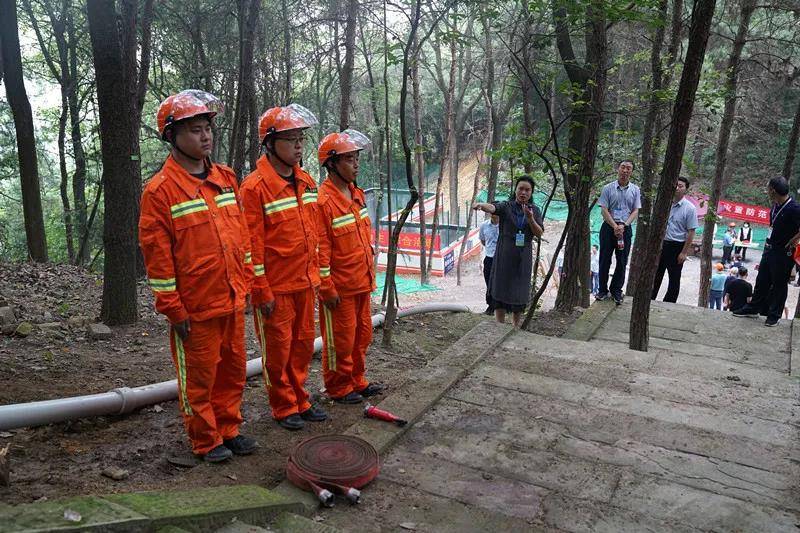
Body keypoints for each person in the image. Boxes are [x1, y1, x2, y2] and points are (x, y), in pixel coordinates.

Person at [139, 90, 257, 463]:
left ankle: (229, 428)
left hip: (231, 298)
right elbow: (158, 261)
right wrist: (174, 310)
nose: (205, 136)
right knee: (200, 378)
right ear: (172, 136)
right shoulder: (160, 192)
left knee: (234, 371)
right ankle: (206, 440)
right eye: (194, 130)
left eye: (207, 128)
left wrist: (248, 283)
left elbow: (240, 238)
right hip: (195, 307)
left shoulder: (225, 179)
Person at [241, 104, 328, 430]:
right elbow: (251, 245)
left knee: (304, 344)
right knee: (278, 350)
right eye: (291, 140)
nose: (298, 146)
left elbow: (315, 231)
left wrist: (319, 273)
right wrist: (259, 288)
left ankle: (300, 398)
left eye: (301, 140)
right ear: (270, 142)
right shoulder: (254, 188)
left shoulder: (305, 180)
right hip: (275, 287)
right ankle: (283, 405)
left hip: (305, 282)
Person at [315, 129, 385, 405]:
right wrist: (326, 287)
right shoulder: (323, 202)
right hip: (339, 287)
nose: (356, 165)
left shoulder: (356, 195)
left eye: (356, 159)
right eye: (349, 160)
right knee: (340, 341)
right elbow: (321, 250)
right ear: (331, 164)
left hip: (362, 281)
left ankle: (357, 380)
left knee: (361, 335)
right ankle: (338, 386)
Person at [472, 176, 544, 328]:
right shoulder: (507, 206)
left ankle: (516, 326)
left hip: (523, 255)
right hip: (504, 253)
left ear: (531, 192)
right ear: (516, 190)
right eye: (520, 189)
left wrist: (530, 219)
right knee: (501, 285)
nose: (523, 192)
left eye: (527, 190)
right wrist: (480, 205)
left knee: (520, 288)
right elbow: (493, 208)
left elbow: (539, 233)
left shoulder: (535, 210)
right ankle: (499, 325)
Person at [734, 176, 800, 326]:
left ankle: (774, 315)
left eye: (768, 188)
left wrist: (793, 240)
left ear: (773, 190)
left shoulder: (794, 208)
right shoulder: (776, 205)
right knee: (762, 279)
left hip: (783, 252)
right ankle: (753, 307)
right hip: (770, 248)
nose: (767, 191)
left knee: (779, 284)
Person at [596, 160, 641, 304]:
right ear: (618, 169)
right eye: (623, 167)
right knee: (604, 260)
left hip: (625, 229)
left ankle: (616, 290)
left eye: (629, 168)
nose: (625, 170)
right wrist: (614, 225)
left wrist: (624, 225)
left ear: (631, 172)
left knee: (622, 261)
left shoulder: (635, 190)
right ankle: (602, 290)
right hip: (609, 228)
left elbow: (635, 210)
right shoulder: (608, 188)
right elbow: (604, 209)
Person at [651, 177, 698, 303]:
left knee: (674, 277)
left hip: (677, 246)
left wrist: (684, 252)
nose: (677, 188)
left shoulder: (690, 208)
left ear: (685, 190)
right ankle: (650, 299)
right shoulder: (663, 204)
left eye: (681, 186)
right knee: (656, 274)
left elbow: (691, 231)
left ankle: (669, 303)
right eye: (675, 185)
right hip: (661, 245)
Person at [479, 213, 500, 315]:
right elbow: (483, 241)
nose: (494, 215)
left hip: (501, 259)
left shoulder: (504, 226)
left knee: (499, 283)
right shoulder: (484, 225)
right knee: (489, 282)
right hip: (489, 258)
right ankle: (491, 306)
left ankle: (498, 306)